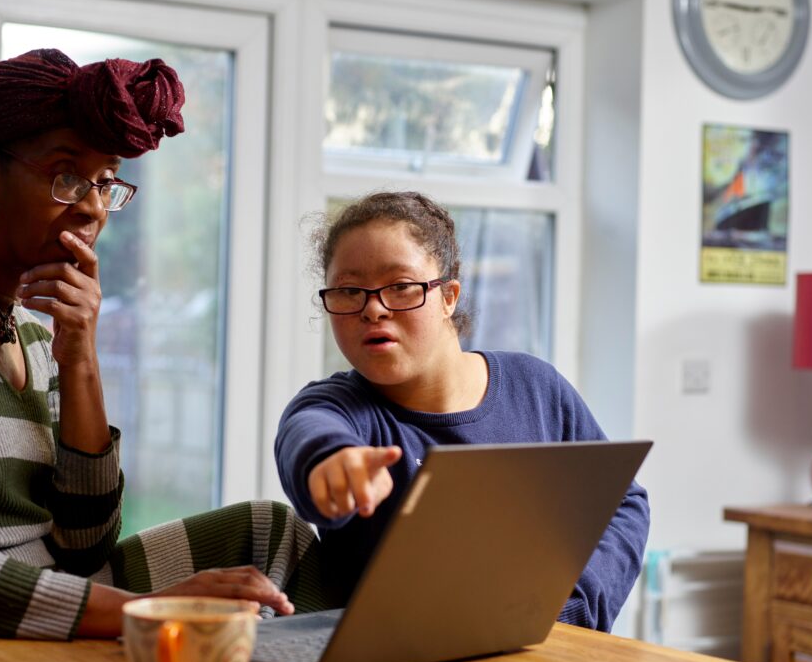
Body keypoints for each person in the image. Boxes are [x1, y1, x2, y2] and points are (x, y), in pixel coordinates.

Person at [0, 48, 330, 641]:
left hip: (45, 589)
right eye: (67, 177)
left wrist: (81, 360)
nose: (93, 207)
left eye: (105, 182)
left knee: (270, 531)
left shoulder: (35, 322)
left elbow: (84, 543)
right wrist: (140, 613)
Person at [275, 190, 650, 632]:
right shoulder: (337, 407)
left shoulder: (537, 388)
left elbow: (622, 503)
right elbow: (310, 432)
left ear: (449, 296)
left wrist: (572, 608)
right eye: (349, 291)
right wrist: (332, 464)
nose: (373, 308)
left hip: (549, 658)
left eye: (400, 286)